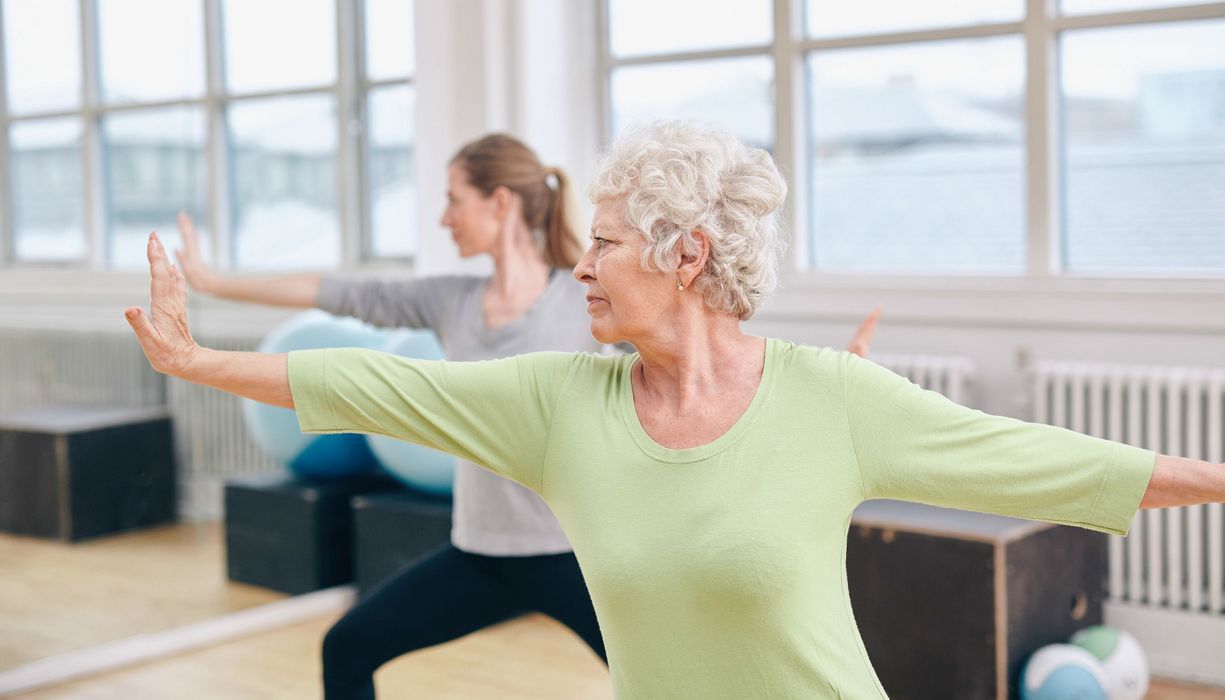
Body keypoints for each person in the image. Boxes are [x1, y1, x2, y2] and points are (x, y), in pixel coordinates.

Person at [125, 120, 1221, 698]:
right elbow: (382, 384)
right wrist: (200, 359)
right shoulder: (560, 404)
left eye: (603, 243)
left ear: (685, 252)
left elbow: (1042, 459)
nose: (583, 267)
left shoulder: (827, 398)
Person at [172, 131, 881, 698]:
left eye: (454, 199)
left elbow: (697, 347)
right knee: (347, 645)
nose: (444, 217)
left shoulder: (589, 295)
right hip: (479, 549)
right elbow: (335, 293)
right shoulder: (448, 300)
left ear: (500, 203)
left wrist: (826, 383)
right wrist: (212, 282)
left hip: (579, 555)